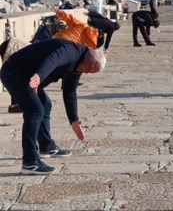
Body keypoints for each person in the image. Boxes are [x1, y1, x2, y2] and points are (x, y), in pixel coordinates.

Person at [0, 39, 106, 175]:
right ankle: (30, 162)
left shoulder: (80, 65)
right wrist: (40, 75)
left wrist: (74, 120)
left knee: (45, 104)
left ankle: (46, 146)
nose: (87, 72)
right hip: (14, 73)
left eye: (92, 72)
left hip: (28, 77)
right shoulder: (71, 51)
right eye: (90, 68)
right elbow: (54, 59)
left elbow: (69, 92)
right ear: (89, 57)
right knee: (35, 111)